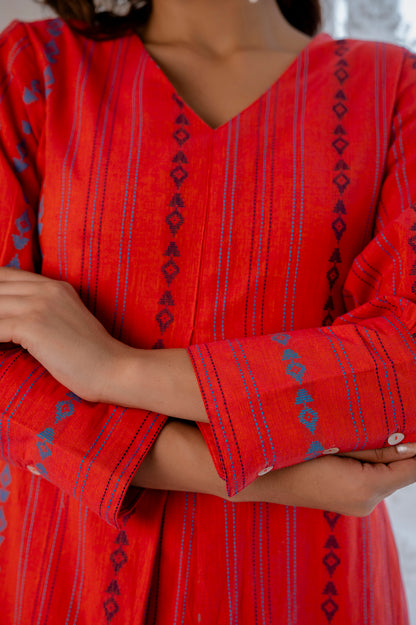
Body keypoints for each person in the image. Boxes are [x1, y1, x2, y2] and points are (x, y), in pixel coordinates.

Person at [1, 0, 416, 622]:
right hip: (67, 578)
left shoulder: (392, 89)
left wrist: (116, 370)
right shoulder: (33, 68)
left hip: (304, 587)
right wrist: (280, 477)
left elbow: (404, 369)